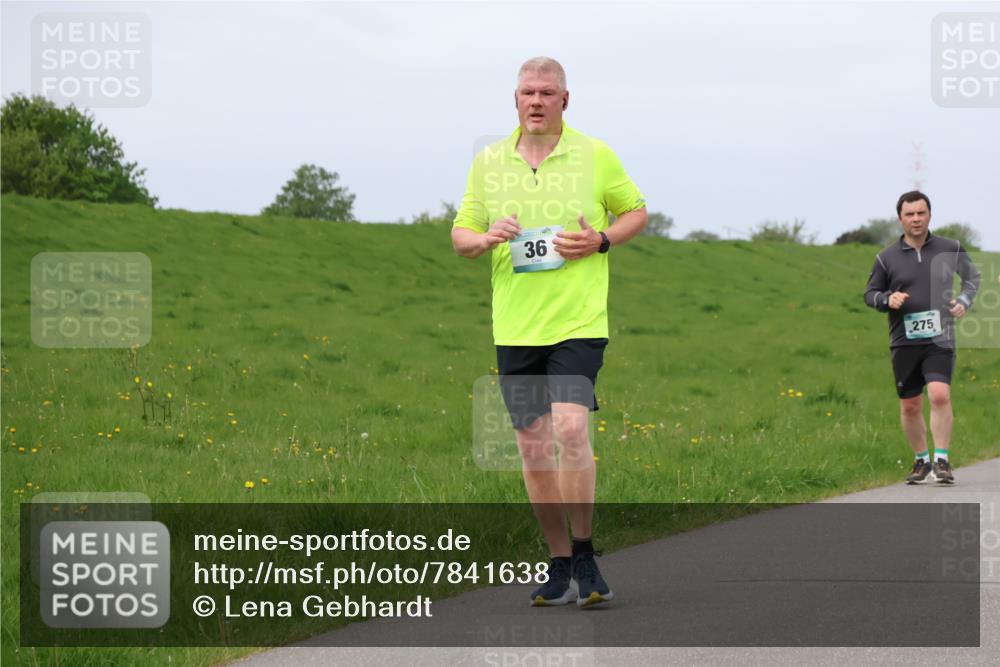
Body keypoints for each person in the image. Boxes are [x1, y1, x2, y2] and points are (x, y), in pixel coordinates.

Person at [451, 57, 647, 607]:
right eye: (526, 92)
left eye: (546, 92)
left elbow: (636, 212)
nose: (535, 100)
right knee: (533, 450)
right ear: (514, 100)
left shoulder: (595, 154)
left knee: (569, 431)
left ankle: (585, 551)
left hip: (578, 322)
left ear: (566, 99)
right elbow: (460, 236)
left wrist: (602, 240)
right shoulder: (488, 163)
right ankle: (560, 561)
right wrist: (487, 237)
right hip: (516, 325)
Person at [864, 191, 980, 485]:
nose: (916, 219)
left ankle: (942, 459)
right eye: (909, 214)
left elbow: (972, 278)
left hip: (940, 338)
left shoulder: (950, 248)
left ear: (930, 214)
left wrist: (964, 301)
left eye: (921, 213)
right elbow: (870, 293)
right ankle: (921, 461)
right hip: (904, 340)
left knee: (940, 394)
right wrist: (886, 299)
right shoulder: (886, 257)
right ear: (900, 218)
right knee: (910, 405)